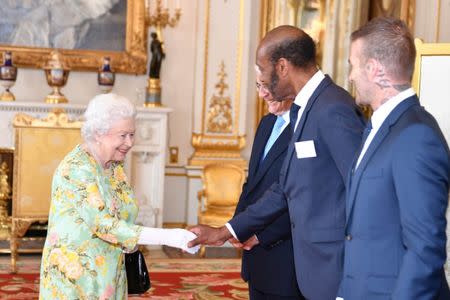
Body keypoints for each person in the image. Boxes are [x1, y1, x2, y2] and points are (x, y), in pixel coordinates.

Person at [189, 25, 365, 300]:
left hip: (331, 270)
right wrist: (226, 231)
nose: (260, 79)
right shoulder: (306, 109)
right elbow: (286, 187)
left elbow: (361, 190)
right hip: (311, 271)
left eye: (262, 68)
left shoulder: (333, 108)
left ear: (282, 67)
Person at [39, 93, 199, 299]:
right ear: (98, 133)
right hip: (76, 275)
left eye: (132, 134)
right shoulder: (76, 168)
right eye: (123, 135)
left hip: (110, 269)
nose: (130, 142)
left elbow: (124, 212)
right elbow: (104, 225)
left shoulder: (114, 166)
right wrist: (169, 237)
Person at [338, 17, 450, 300]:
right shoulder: (378, 127)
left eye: (353, 65)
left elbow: (425, 248)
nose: (350, 76)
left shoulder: (416, 136)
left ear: (374, 70)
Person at [234, 81, 303, 299]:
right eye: (257, 85)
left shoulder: (306, 126)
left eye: (268, 85)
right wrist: (237, 227)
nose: (263, 93)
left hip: (286, 258)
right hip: (255, 259)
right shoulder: (266, 123)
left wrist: (262, 236)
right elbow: (252, 183)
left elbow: (302, 194)